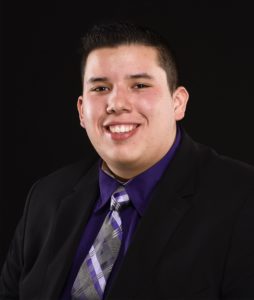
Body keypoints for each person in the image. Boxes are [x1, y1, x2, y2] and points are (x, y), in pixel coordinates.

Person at [1, 22, 254, 300]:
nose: (117, 103)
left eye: (140, 85)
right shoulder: (46, 198)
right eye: (100, 88)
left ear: (177, 103)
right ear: (82, 111)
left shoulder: (242, 201)